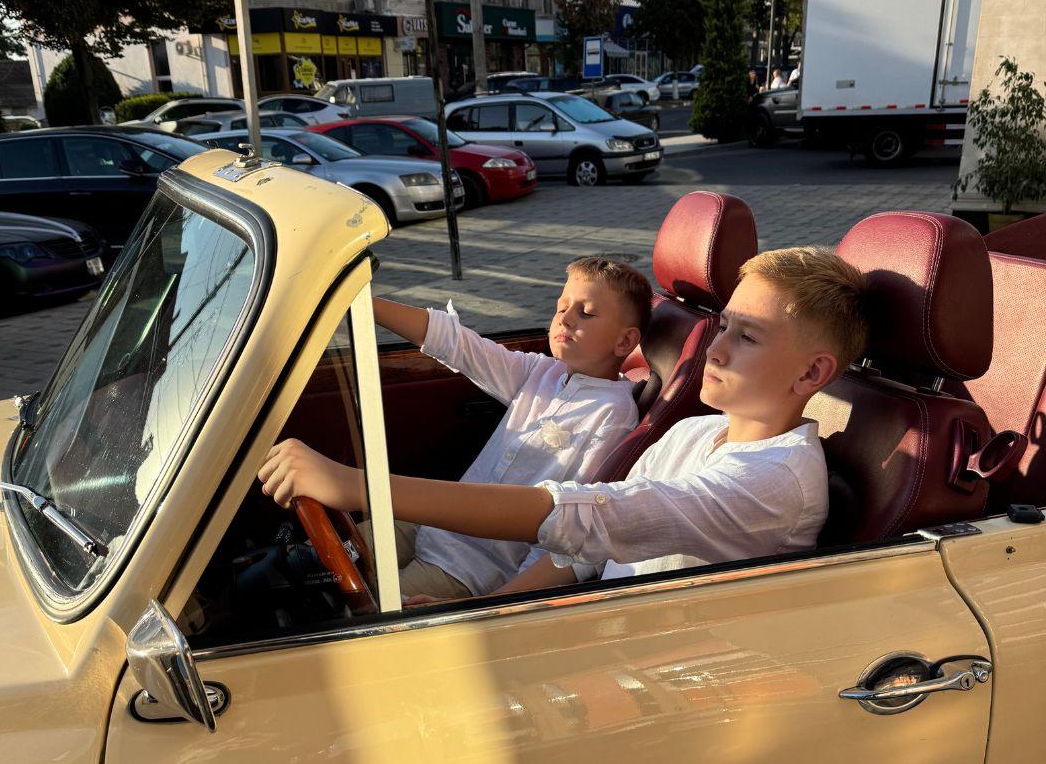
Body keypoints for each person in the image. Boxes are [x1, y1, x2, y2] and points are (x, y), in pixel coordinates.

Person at [259, 247, 870, 602]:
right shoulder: (693, 433)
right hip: (589, 612)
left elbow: (597, 518)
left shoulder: (775, 484)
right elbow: (583, 554)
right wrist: (496, 608)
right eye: (723, 327)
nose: (716, 348)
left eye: (748, 337)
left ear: (811, 372)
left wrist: (361, 485)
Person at [342, 257, 649, 600]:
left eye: (586, 313)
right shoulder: (540, 372)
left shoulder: (612, 414)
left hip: (468, 569)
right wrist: (360, 302)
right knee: (325, 556)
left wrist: (495, 602)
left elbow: (570, 524)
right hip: (434, 525)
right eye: (561, 307)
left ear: (624, 343)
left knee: (358, 607)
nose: (565, 318)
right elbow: (459, 345)